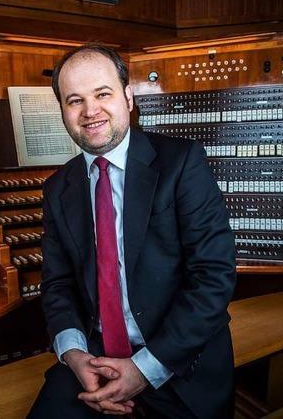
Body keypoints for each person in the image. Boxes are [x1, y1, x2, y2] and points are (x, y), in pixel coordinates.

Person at [28, 44, 236, 419]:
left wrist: (143, 369)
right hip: (95, 360)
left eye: (102, 94)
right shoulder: (57, 189)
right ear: (62, 111)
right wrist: (76, 357)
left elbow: (213, 276)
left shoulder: (182, 162)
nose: (90, 111)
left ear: (127, 96)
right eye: (74, 100)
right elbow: (58, 284)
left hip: (178, 359)